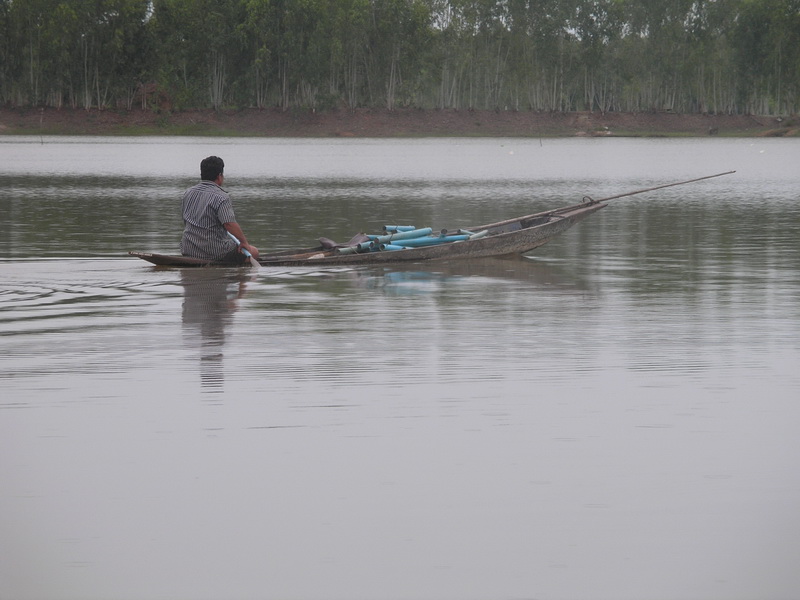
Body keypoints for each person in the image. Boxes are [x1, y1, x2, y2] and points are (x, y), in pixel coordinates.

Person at [180, 156, 259, 263]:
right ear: (219, 176)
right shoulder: (221, 196)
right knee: (254, 252)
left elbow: (185, 220)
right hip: (214, 251)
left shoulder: (188, 193)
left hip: (188, 248)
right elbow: (229, 224)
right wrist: (243, 242)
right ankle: (240, 276)